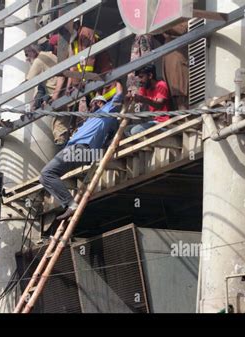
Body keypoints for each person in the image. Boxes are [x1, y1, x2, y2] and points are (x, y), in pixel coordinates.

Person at [39, 81, 124, 221]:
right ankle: (69, 204)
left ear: (101, 103)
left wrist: (116, 79)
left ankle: (71, 204)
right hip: (80, 150)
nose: (91, 106)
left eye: (94, 103)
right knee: (46, 176)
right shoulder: (91, 119)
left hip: (81, 148)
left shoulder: (108, 111)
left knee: (46, 173)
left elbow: (120, 94)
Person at [124, 64, 171, 137]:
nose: (140, 80)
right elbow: (138, 100)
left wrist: (145, 99)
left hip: (163, 122)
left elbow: (159, 105)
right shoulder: (144, 87)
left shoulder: (161, 85)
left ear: (150, 76)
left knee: (135, 130)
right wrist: (129, 99)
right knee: (126, 129)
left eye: (141, 77)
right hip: (152, 121)